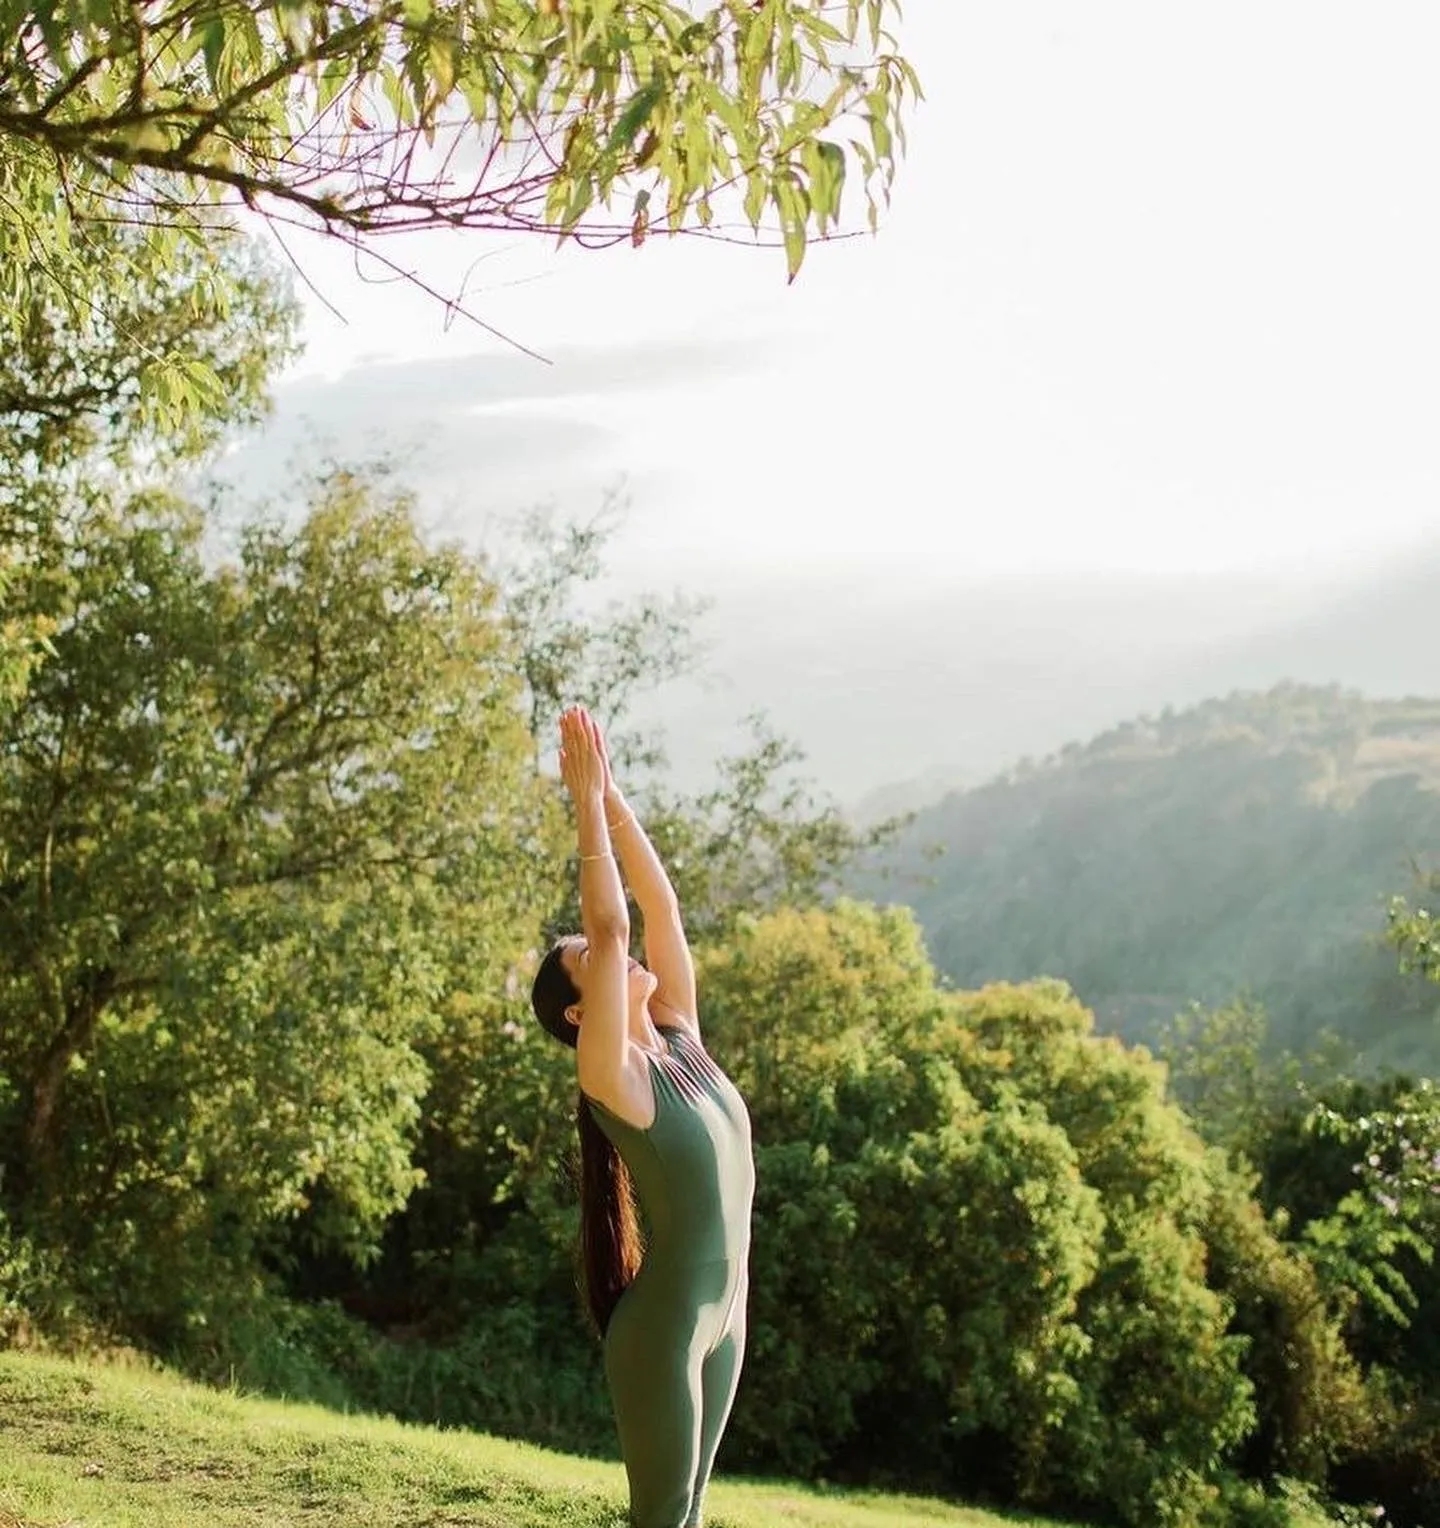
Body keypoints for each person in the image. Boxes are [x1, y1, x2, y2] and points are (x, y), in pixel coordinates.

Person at [530, 705, 755, 1528]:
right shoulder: (614, 1077)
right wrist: (584, 808)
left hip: (727, 1317)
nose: (614, 951)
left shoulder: (678, 1036)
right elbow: (614, 918)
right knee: (663, 1521)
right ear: (581, 1017)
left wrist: (615, 799)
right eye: (589, 960)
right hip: (664, 1333)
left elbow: (659, 913)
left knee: (689, 1518)